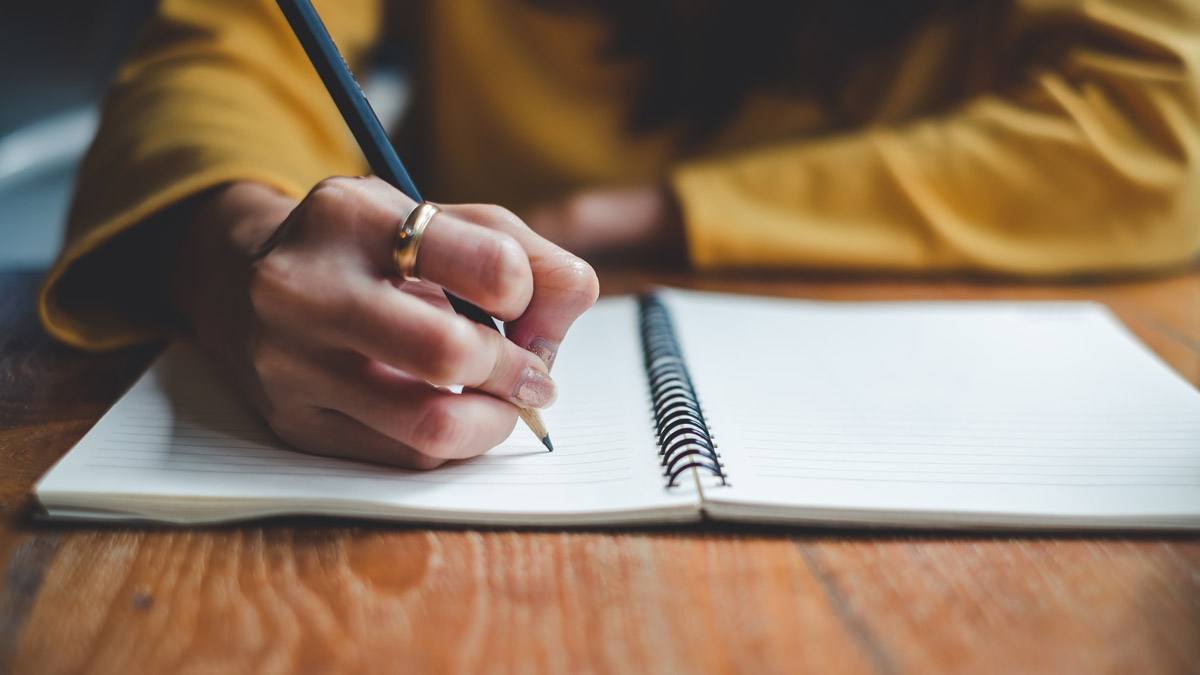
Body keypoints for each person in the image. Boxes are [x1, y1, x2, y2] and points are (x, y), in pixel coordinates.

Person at [39, 0, 1200, 469]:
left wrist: (648, 214)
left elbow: (1167, 121)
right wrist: (233, 242)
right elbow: (228, 48)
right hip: (433, 347)